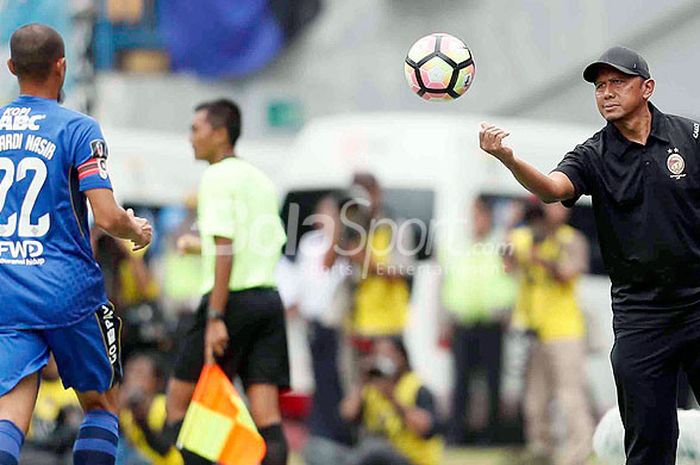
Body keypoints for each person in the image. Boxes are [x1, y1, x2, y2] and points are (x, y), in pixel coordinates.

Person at [479, 45, 700, 465]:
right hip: (641, 316)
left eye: (618, 82)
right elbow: (551, 189)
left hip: (697, 300)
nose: (607, 93)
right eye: (600, 86)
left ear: (647, 88)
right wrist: (508, 159)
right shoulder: (593, 154)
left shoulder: (689, 138)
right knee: (649, 440)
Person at [0, 24, 152, 465]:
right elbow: (106, 216)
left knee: (10, 414)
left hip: (9, 289)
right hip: (68, 290)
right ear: (62, 66)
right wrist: (135, 231)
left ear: (11, 68)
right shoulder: (79, 129)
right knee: (102, 406)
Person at [165, 99, 289, 465]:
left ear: (220, 134)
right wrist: (199, 247)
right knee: (267, 416)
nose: (190, 138)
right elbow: (260, 243)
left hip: (229, 303)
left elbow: (226, 245)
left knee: (180, 404)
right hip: (267, 301)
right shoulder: (261, 180)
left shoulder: (216, 176)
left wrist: (216, 316)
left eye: (196, 129)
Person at [508, 201, 594, 465]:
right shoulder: (524, 237)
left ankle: (579, 451)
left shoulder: (572, 240)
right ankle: (540, 449)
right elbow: (506, 262)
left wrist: (540, 258)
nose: (552, 213)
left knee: (570, 394)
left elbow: (568, 274)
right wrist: (513, 223)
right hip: (533, 328)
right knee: (535, 397)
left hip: (565, 329)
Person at [440, 195, 516, 445]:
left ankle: (491, 436)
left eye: (480, 215)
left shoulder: (500, 244)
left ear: (488, 217)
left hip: (492, 323)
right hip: (463, 323)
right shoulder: (459, 247)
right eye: (473, 216)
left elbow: (512, 273)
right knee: (461, 382)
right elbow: (447, 284)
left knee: (492, 383)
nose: (476, 221)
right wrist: (445, 319)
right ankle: (457, 434)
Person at [294, 195, 355, 465]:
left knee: (335, 379)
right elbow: (317, 272)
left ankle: (336, 433)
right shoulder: (309, 245)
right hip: (315, 323)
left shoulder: (343, 247)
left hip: (334, 325)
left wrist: (338, 233)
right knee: (321, 379)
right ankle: (324, 433)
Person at [340, 337, 443, 465]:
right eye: (377, 354)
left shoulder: (415, 387)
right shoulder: (371, 389)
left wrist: (393, 400)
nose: (383, 359)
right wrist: (362, 380)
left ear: (402, 357)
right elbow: (347, 414)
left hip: (412, 459)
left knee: (374, 448)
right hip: (378, 456)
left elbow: (427, 428)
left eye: (387, 353)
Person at [119, 353, 183, 465]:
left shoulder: (164, 406)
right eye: (129, 373)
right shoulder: (127, 411)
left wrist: (141, 422)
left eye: (140, 374)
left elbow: (165, 450)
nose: (133, 380)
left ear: (157, 382)